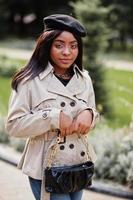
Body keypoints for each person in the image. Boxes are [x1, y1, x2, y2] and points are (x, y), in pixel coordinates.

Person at [5, 14, 98, 200]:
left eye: (73, 46)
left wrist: (90, 115)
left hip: (77, 163)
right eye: (59, 45)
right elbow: (13, 125)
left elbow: (92, 114)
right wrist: (53, 117)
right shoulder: (29, 81)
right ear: (46, 45)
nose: (67, 52)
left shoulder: (84, 78)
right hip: (46, 166)